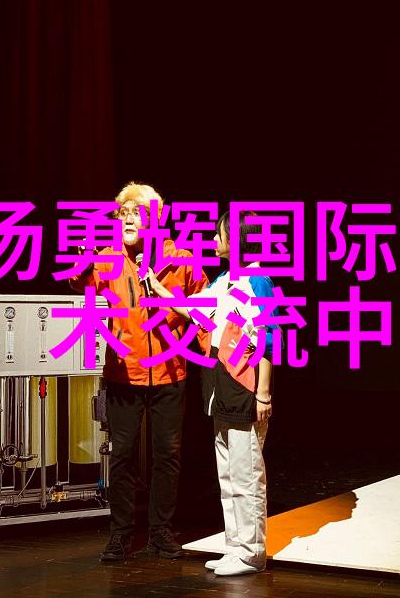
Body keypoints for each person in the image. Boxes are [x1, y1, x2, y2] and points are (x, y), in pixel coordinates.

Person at [69, 182, 208, 562]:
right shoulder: (108, 257)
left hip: (170, 372)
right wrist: (83, 260)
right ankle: (120, 534)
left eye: (136, 213)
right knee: (123, 455)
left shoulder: (181, 259)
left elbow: (204, 306)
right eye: (123, 213)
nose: (127, 220)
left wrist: (205, 347)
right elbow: (80, 281)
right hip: (124, 373)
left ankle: (161, 532)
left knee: (167, 455)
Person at [147, 210, 278, 576]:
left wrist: (264, 394)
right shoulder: (224, 281)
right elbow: (195, 310)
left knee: (246, 474)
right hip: (220, 386)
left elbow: (268, 339)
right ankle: (235, 547)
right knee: (228, 475)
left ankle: (252, 553)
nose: (215, 240)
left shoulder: (258, 281)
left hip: (245, 386)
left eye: (220, 234)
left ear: (238, 240)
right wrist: (159, 289)